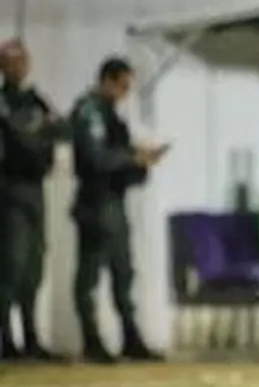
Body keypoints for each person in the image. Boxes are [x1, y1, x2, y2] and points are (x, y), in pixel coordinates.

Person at [70, 56, 168, 363]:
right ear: (107, 81)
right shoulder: (90, 112)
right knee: (89, 277)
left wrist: (141, 162)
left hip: (114, 203)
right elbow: (95, 158)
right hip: (95, 204)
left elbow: (117, 160)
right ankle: (92, 341)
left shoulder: (112, 116)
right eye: (122, 86)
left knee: (123, 273)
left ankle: (130, 337)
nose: (125, 93)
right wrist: (131, 158)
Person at [0, 39, 66, 361]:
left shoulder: (35, 100)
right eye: (12, 61)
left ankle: (31, 337)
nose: (19, 67)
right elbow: (20, 138)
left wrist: (39, 137)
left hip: (35, 189)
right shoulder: (4, 101)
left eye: (22, 61)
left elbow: (60, 129)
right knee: (10, 265)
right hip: (9, 190)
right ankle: (6, 340)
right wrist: (38, 136)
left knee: (33, 267)